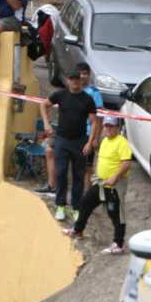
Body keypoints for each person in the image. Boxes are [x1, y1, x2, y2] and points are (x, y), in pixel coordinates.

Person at [63, 115, 134, 254]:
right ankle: (78, 230)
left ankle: (118, 244)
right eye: (106, 125)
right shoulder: (105, 141)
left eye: (111, 126)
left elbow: (126, 163)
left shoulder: (122, 142)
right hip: (101, 182)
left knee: (116, 213)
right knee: (86, 202)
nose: (108, 128)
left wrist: (115, 177)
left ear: (117, 127)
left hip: (115, 185)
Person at [40, 68, 99, 221]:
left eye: (77, 79)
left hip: (80, 141)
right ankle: (60, 206)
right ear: (68, 80)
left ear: (81, 80)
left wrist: (90, 142)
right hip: (62, 140)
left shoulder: (87, 99)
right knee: (61, 173)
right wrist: (46, 123)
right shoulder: (61, 94)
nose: (74, 82)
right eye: (72, 79)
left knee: (78, 175)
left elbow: (94, 122)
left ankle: (76, 208)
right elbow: (43, 104)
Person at [75, 62, 106, 184]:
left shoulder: (94, 92)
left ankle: (87, 191)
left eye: (85, 73)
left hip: (89, 134)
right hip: (74, 134)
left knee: (88, 166)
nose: (82, 76)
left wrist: (96, 138)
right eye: (80, 73)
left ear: (89, 75)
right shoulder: (73, 89)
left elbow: (100, 117)